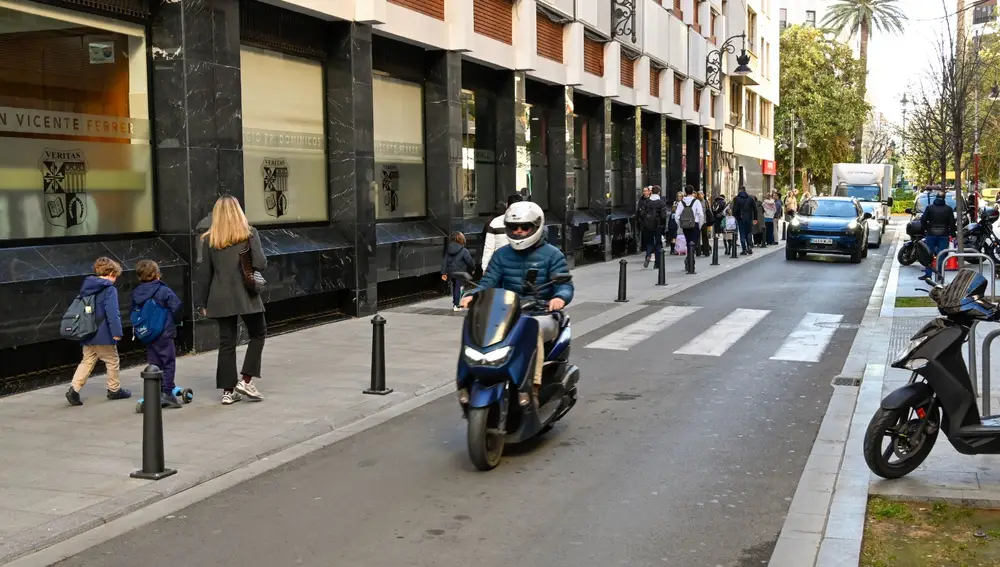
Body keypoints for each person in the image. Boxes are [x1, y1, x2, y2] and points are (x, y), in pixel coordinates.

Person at [460, 201, 574, 401]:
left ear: (536, 227)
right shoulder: (501, 255)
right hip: (508, 313)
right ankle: (468, 381)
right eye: (514, 227)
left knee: (533, 330)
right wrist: (473, 295)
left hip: (541, 313)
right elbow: (488, 282)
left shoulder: (553, 255)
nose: (519, 231)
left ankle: (532, 388)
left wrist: (559, 297)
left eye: (525, 227)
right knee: (476, 329)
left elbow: (565, 285)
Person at [197, 196, 268, 405]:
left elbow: (205, 274)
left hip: (219, 296)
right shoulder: (249, 233)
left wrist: (203, 303)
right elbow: (260, 263)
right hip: (246, 294)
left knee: (226, 343)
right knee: (258, 333)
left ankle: (227, 392)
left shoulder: (209, 239)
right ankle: (246, 380)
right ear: (239, 211)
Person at [66, 257, 130, 406]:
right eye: (116, 275)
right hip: (103, 333)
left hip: (87, 331)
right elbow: (112, 312)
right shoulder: (109, 289)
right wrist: (117, 332)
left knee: (87, 360)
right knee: (112, 360)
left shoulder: (87, 287)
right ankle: (114, 390)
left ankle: (74, 389)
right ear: (112, 273)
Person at [132, 259, 184, 408]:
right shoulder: (163, 290)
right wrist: (175, 322)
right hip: (164, 332)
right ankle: (167, 392)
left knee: (154, 362)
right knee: (168, 362)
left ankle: (155, 391)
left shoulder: (136, 292)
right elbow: (176, 306)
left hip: (148, 333)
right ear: (157, 274)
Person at [920, 191, 957, 281]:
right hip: (944, 234)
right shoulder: (948, 209)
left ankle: (928, 274)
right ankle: (939, 274)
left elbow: (923, 219)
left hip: (931, 233)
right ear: (944, 198)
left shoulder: (929, 208)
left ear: (936, 197)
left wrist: (926, 229)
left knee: (928, 254)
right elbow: (952, 223)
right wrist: (952, 233)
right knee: (941, 255)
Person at [482, 194, 523, 271]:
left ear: (507, 205)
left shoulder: (495, 222)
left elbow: (489, 248)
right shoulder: (528, 222)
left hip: (500, 266)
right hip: (520, 266)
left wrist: (485, 268)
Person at [674, 185, 705, 274]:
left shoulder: (681, 202)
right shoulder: (696, 202)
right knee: (693, 244)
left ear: (685, 192)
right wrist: (700, 225)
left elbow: (677, 216)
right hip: (695, 224)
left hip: (685, 226)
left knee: (688, 243)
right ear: (693, 191)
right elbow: (701, 215)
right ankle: (690, 262)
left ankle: (689, 261)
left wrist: (681, 224)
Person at [441, 231, 475, 312]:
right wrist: (473, 268)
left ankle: (455, 303)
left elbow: (445, 261)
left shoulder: (448, 250)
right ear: (461, 239)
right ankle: (457, 304)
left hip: (451, 272)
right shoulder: (464, 250)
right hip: (460, 273)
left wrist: (443, 272)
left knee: (455, 286)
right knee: (459, 287)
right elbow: (469, 261)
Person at [637, 185, 667, 268]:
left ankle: (648, 255)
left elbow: (642, 214)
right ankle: (657, 263)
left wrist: (645, 222)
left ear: (651, 192)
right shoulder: (661, 203)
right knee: (658, 244)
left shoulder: (647, 202)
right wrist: (663, 227)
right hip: (657, 226)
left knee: (649, 243)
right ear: (659, 192)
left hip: (648, 226)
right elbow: (663, 216)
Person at [731, 186, 757, 255]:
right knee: (748, 232)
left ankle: (744, 249)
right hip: (749, 218)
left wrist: (734, 217)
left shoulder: (737, 199)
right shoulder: (750, 198)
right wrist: (755, 218)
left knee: (742, 233)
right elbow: (755, 209)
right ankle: (749, 246)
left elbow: (735, 209)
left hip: (740, 218)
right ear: (745, 190)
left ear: (739, 191)